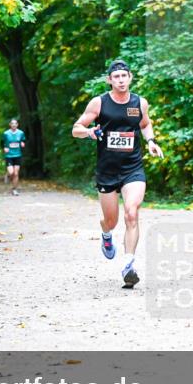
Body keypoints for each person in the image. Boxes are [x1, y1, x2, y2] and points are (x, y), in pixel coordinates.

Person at [72, 59, 163, 288]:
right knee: (111, 221)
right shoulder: (99, 103)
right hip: (107, 170)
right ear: (109, 80)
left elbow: (144, 124)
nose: (121, 80)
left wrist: (151, 141)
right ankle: (105, 233)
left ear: (130, 77)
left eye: (125, 76)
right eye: (117, 77)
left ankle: (128, 264)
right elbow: (76, 128)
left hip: (132, 167)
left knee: (132, 213)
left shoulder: (139, 103)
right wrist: (89, 132)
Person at [1, 118, 26, 195]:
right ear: (10, 125)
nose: (14, 125)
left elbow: (23, 140)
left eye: (15, 123)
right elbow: (2, 142)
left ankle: (14, 189)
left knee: (16, 173)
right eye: (12, 123)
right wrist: (4, 148)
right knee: (11, 172)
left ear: (17, 125)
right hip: (9, 155)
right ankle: (8, 175)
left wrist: (22, 143)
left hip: (18, 155)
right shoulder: (6, 133)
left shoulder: (21, 133)